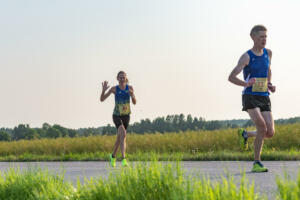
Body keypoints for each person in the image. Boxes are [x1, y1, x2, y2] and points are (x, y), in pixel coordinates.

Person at [228, 25, 276, 172]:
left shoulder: (268, 53)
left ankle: (246, 134)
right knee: (261, 127)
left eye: (266, 36)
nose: (264, 39)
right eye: (261, 36)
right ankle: (257, 163)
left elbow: (268, 70)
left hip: (264, 96)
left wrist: (269, 84)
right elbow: (231, 77)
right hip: (250, 96)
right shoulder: (246, 56)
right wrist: (246, 83)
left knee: (270, 132)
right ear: (253, 37)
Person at [100, 71, 136, 167]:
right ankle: (124, 158)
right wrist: (103, 90)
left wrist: (132, 95)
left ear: (126, 78)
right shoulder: (114, 89)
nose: (122, 79)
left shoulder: (130, 88)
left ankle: (113, 156)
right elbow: (102, 99)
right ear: (117, 78)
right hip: (116, 115)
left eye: (123, 77)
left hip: (126, 116)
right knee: (123, 134)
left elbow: (135, 102)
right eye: (120, 77)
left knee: (119, 138)